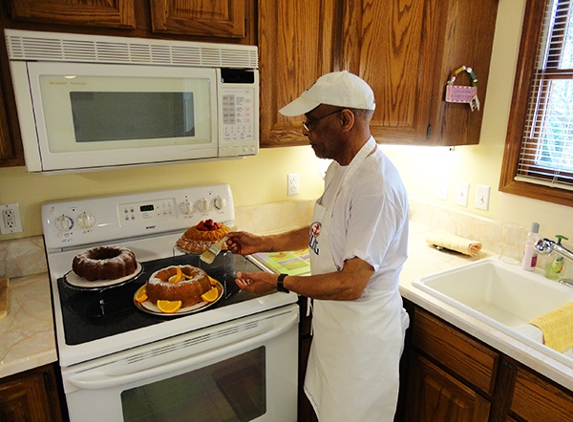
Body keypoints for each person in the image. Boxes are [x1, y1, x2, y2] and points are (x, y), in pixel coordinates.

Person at [227, 71, 410, 422]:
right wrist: (263, 243)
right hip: (336, 329)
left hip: (362, 341)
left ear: (345, 119)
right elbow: (322, 228)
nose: (306, 132)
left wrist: (278, 281)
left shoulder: (377, 186)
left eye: (311, 123)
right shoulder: (343, 168)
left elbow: (350, 284)